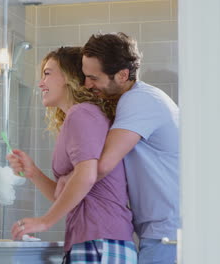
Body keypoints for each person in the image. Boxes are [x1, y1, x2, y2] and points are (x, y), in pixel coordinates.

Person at [6, 47, 137, 264]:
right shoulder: (80, 116)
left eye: (47, 74)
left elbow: (86, 176)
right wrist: (33, 173)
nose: (40, 83)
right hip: (99, 240)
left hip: (99, 240)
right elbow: (70, 195)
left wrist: (45, 222)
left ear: (69, 77)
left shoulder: (82, 113)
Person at [81, 32, 180, 264]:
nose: (87, 84)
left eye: (94, 78)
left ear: (123, 75)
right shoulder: (146, 97)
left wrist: (62, 186)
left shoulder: (137, 100)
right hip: (164, 232)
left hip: (167, 234)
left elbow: (103, 166)